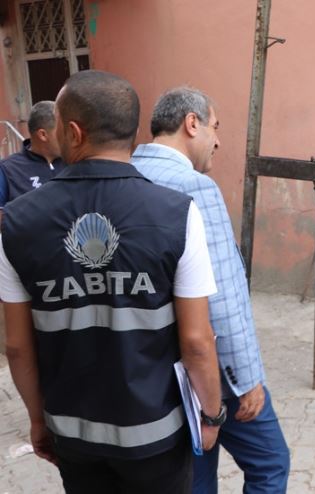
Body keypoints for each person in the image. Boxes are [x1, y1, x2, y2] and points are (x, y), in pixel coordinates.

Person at [1, 70, 224, 493]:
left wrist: (37, 420)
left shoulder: (16, 223)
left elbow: (16, 346)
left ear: (72, 131)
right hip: (156, 434)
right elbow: (198, 341)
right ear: (132, 130)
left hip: (74, 434)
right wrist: (210, 416)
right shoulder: (177, 213)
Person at [132, 87, 290, 493]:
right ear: (191, 123)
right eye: (215, 128)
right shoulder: (194, 187)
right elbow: (219, 297)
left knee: (196, 474)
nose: (218, 140)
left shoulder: (128, 176)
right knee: (270, 463)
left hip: (154, 372)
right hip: (212, 372)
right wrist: (247, 378)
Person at [0, 101, 62, 213]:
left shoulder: (75, 162)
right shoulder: (7, 169)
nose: (68, 137)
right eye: (62, 132)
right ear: (43, 135)